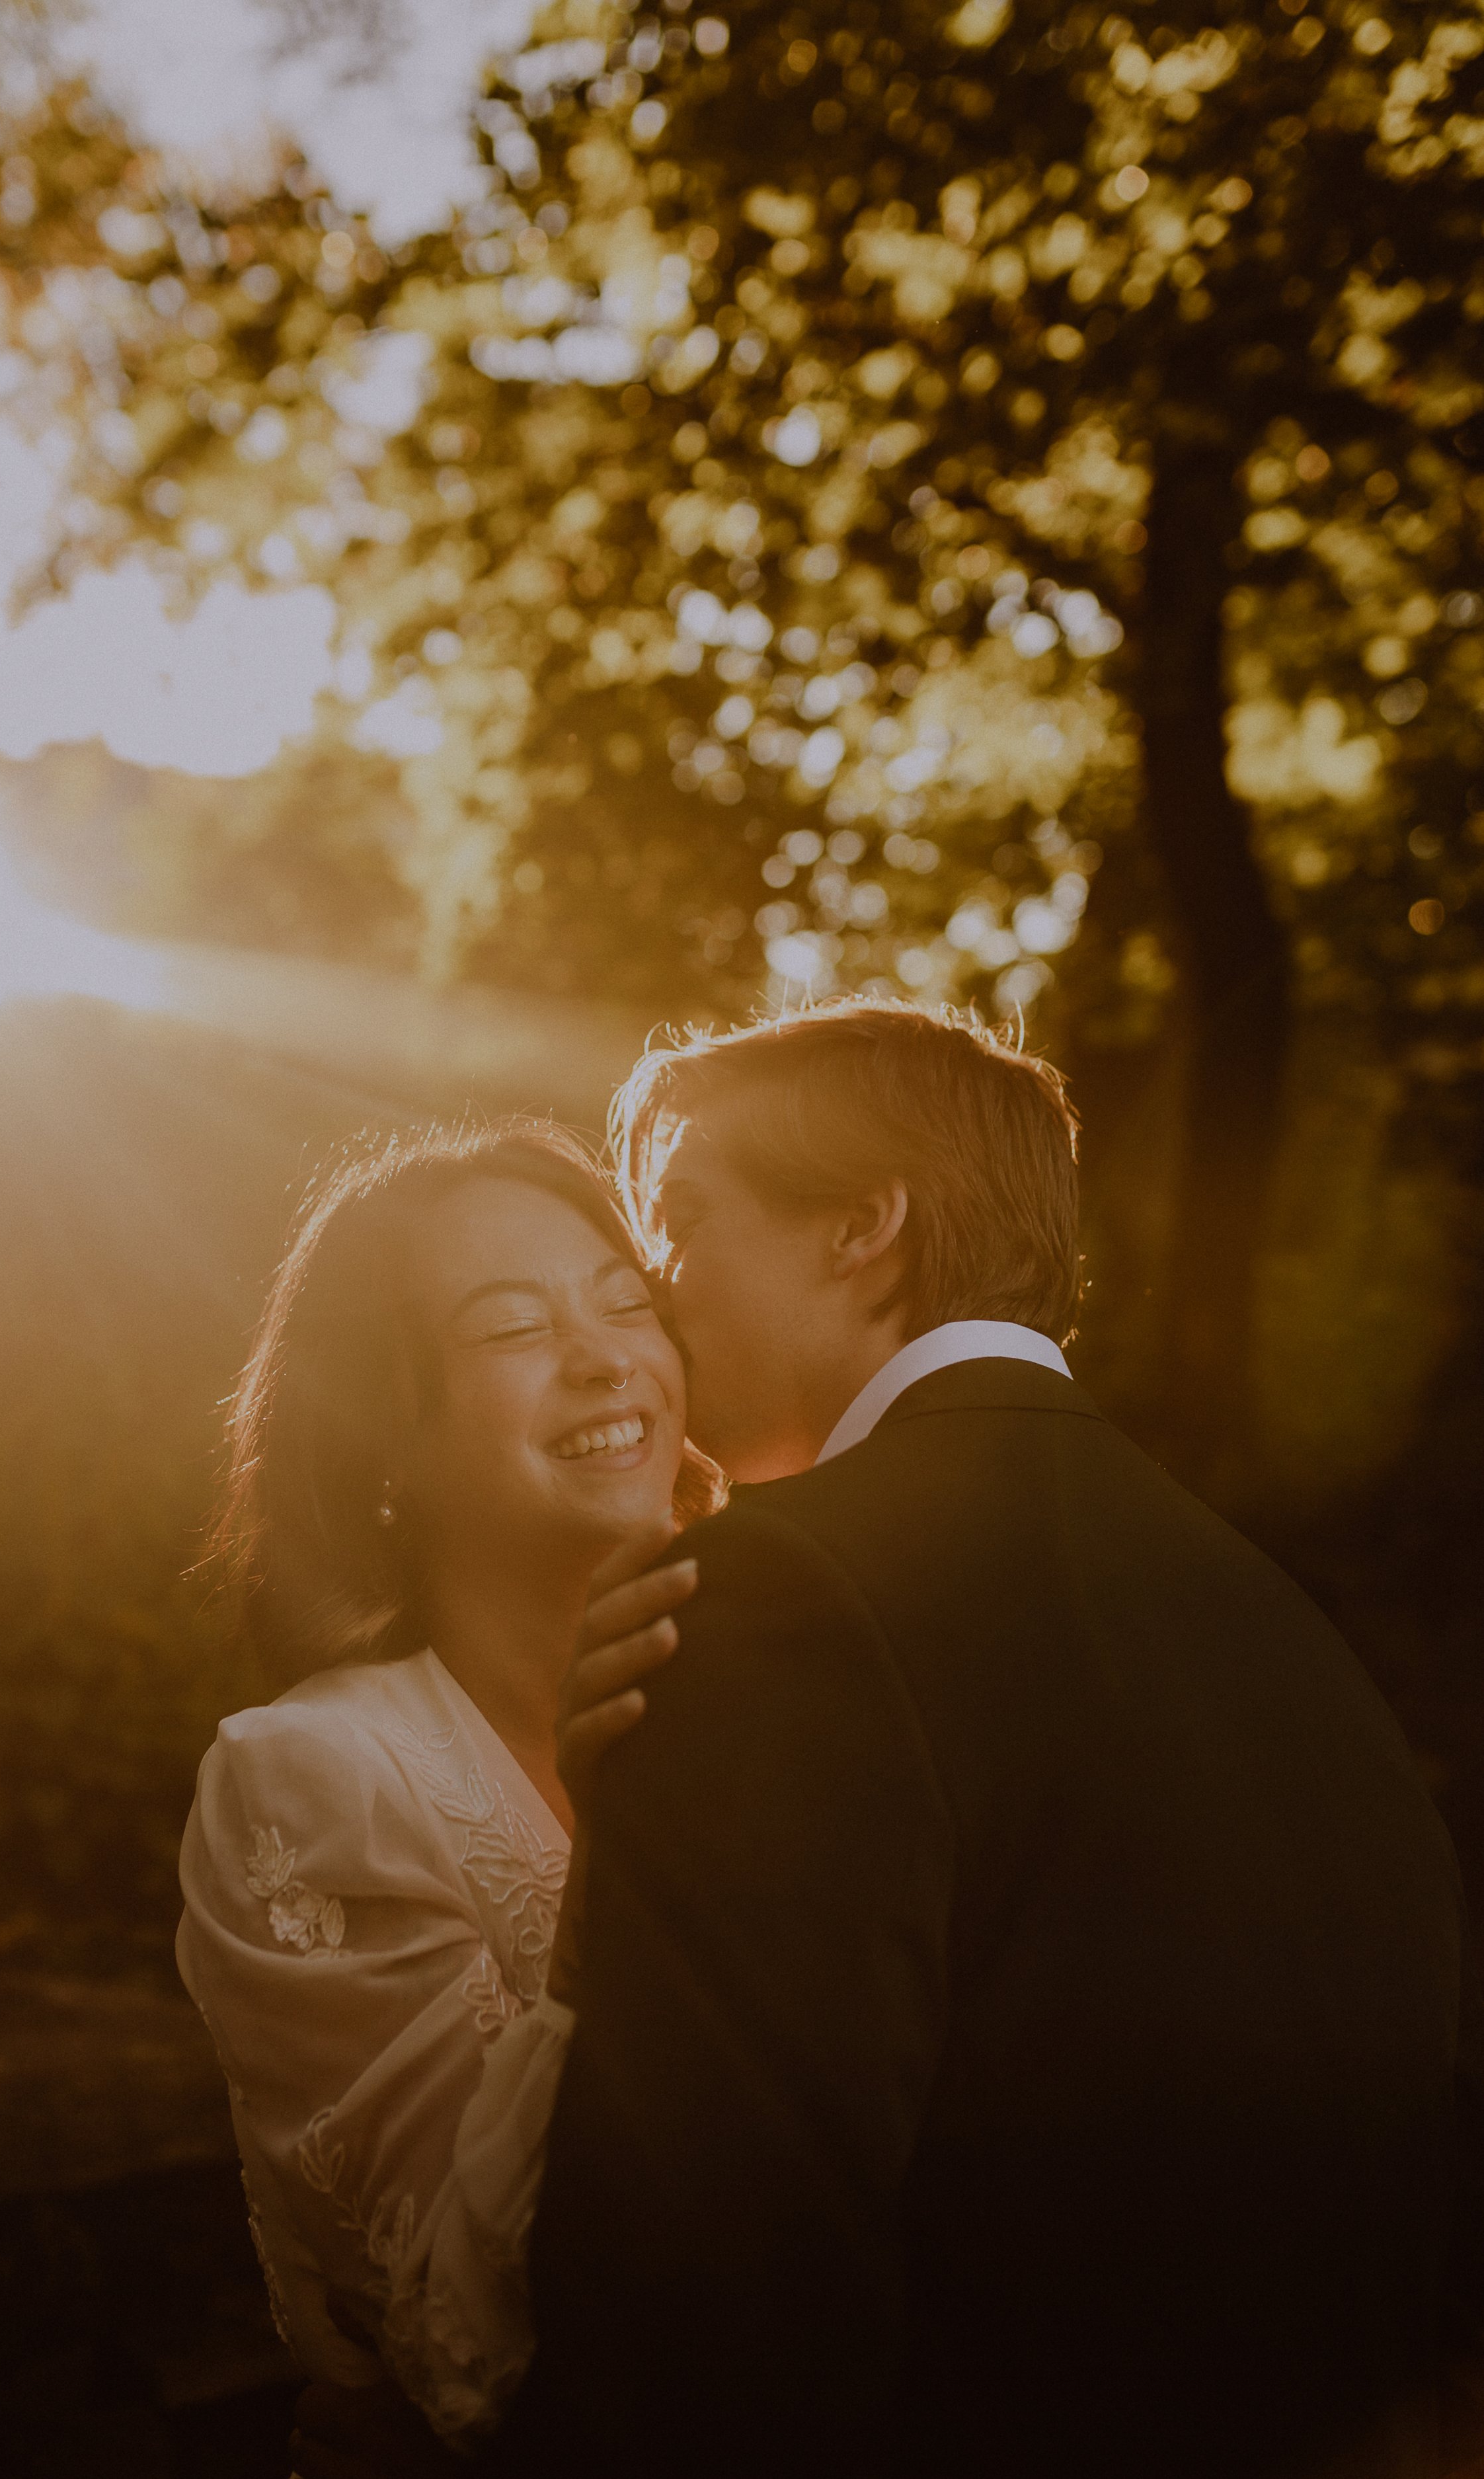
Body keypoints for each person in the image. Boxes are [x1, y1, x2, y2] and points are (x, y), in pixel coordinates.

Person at [479, 998, 1484, 2479]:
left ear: (860, 1228)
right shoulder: (1266, 1612)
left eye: (682, 1215)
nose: (648, 1280)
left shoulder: (780, 1596)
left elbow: (715, 2300)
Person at [175, 1121, 719, 2460]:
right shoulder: (313, 1783)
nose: (604, 1358)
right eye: (510, 1327)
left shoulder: (789, 1706)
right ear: (379, 1445)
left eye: (626, 1305)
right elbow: (464, 2341)